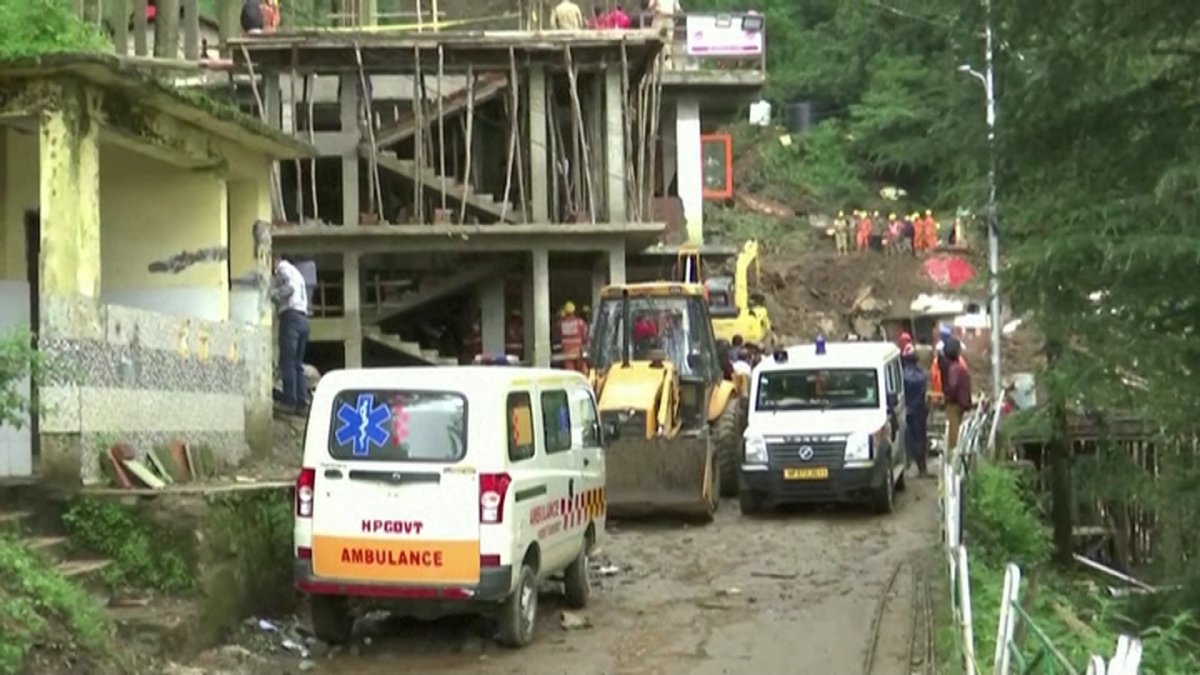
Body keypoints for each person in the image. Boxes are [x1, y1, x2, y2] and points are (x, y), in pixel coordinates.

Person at [271, 255, 310, 415]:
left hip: (291, 316)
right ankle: (301, 402)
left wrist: (271, 295)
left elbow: (289, 289)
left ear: (274, 261)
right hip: (303, 318)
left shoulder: (282, 269)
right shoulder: (296, 272)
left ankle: (289, 401)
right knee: (297, 364)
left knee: (287, 361)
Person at [900, 344, 930, 477]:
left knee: (907, 440)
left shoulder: (902, 376)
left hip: (905, 410)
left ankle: (906, 466)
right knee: (920, 439)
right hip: (918, 411)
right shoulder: (921, 376)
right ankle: (922, 469)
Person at [944, 340, 972, 451]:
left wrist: (947, 396)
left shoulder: (951, 368)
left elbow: (952, 387)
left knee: (953, 432)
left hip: (954, 403)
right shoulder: (959, 367)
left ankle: (954, 452)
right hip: (960, 402)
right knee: (956, 432)